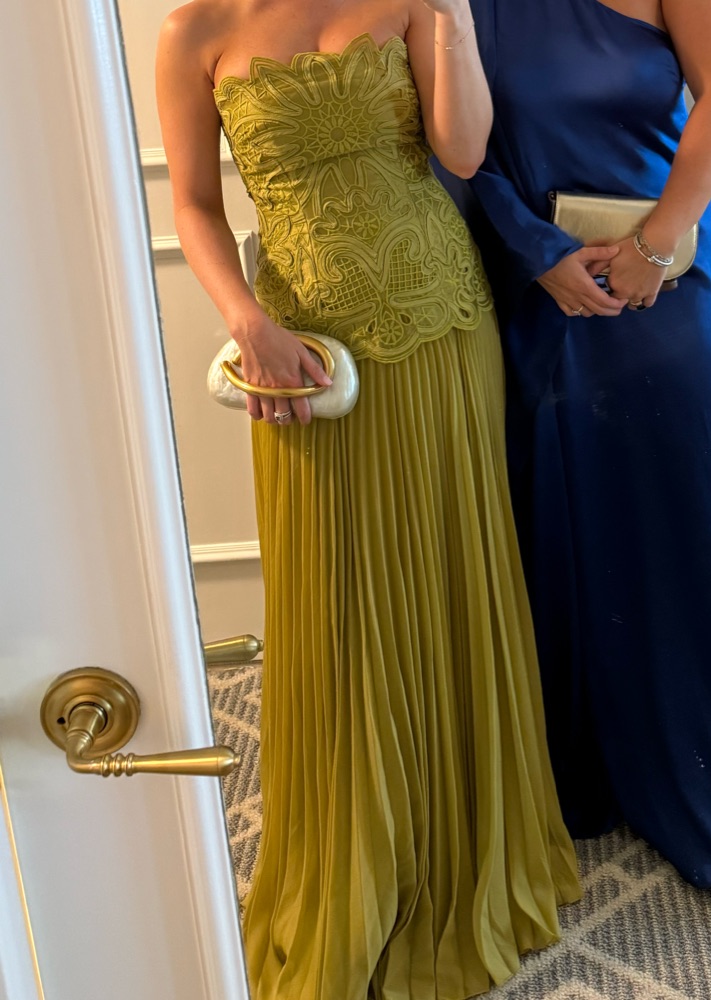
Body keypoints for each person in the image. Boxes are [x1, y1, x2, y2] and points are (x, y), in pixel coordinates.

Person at [156, 1, 582, 997]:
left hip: (438, 321)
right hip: (301, 352)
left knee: (452, 574)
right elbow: (194, 205)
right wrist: (246, 322)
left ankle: (467, 844)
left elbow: (462, 153)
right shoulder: (194, 31)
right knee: (337, 601)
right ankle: (356, 852)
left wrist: (449, 13)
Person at [451, 0, 711, 902]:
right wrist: (536, 251)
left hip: (668, 284)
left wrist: (654, 244)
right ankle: (580, 777)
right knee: (567, 528)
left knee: (689, 533)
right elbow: (462, 148)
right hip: (540, 289)